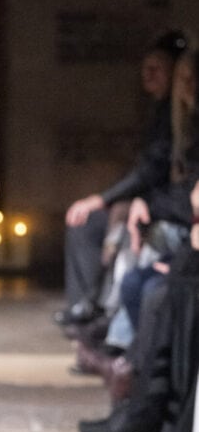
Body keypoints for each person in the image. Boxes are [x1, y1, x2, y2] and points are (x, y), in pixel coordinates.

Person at [55, 30, 188, 327]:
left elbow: (153, 171)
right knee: (86, 223)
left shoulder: (178, 116)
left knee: (113, 226)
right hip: (152, 202)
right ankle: (85, 306)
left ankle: (104, 314)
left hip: (166, 208)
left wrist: (106, 199)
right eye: (147, 66)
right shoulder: (160, 111)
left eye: (159, 67)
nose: (149, 73)